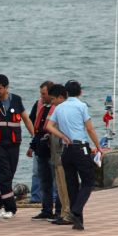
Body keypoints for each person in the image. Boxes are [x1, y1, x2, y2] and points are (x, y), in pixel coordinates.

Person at [46, 80, 102, 230]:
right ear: (80, 92)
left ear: (65, 93)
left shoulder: (59, 108)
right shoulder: (81, 105)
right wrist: (98, 146)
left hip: (67, 150)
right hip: (80, 148)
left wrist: (62, 136)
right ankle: (76, 211)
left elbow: (49, 126)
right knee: (88, 182)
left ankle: (78, 221)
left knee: (72, 186)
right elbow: (89, 129)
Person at [0, 74, 35, 217]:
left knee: (8, 175)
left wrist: (35, 137)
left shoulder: (17, 100)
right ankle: (11, 208)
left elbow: (26, 120)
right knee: (4, 176)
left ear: (6, 87)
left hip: (14, 144)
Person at [27, 81, 61, 220]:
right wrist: (32, 146)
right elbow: (36, 128)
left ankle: (59, 211)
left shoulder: (59, 108)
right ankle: (46, 209)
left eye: (44, 94)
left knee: (57, 181)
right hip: (40, 148)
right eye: (41, 93)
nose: (42, 96)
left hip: (53, 148)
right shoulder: (39, 104)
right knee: (44, 180)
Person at [47, 84, 73, 226]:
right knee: (60, 185)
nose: (52, 102)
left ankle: (68, 213)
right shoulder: (58, 110)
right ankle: (64, 212)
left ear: (61, 97)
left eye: (53, 99)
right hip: (56, 154)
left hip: (63, 154)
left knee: (65, 185)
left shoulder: (64, 111)